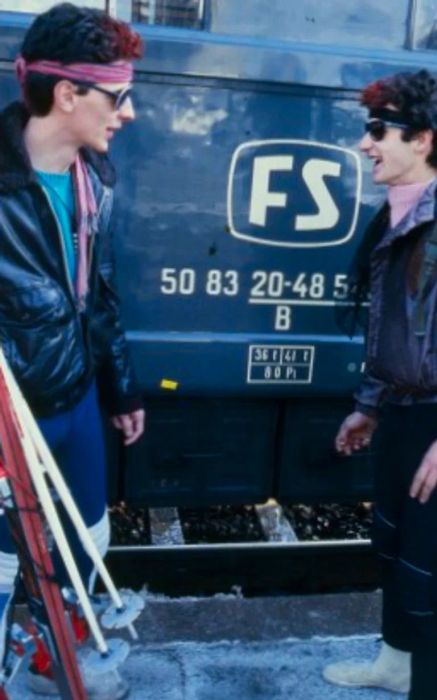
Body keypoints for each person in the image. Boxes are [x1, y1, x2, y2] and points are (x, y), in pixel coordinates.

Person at [323, 70, 437, 700]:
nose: (365, 143)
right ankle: (395, 663)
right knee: (390, 547)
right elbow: (396, 328)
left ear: (423, 139)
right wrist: (370, 406)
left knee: (423, 579)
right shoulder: (400, 214)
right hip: (402, 412)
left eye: (379, 130)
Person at [0, 3, 145, 697]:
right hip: (9, 415)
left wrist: (119, 389)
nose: (129, 111)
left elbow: (101, 296)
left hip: (78, 398)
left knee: (89, 541)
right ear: (67, 95)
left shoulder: (96, 181)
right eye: (117, 96)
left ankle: (58, 647)